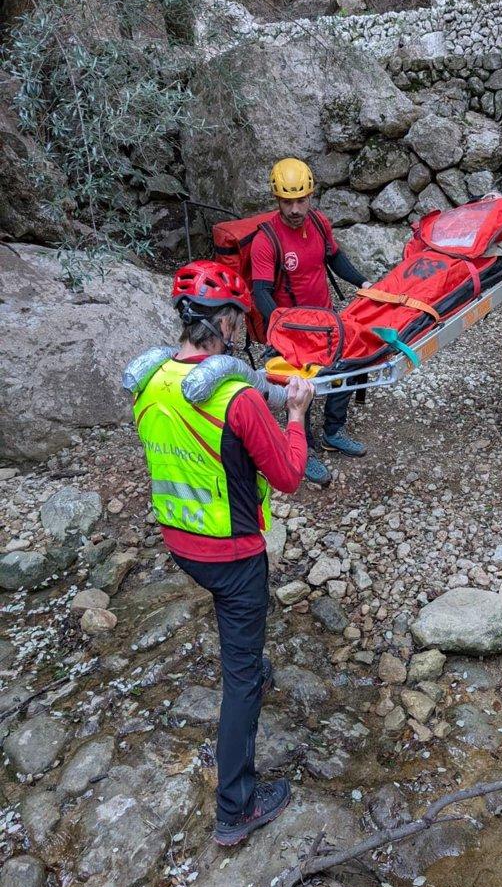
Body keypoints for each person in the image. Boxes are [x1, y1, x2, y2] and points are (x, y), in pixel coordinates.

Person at [131, 260, 314, 847]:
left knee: (240, 648)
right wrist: (295, 414)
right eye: (239, 318)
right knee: (239, 682)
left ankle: (250, 666)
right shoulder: (235, 399)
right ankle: (236, 807)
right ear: (230, 321)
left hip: (180, 541)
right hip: (232, 556)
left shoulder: (150, 383)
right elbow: (287, 476)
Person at [250, 157, 370, 487]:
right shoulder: (266, 241)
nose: (294, 209)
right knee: (299, 389)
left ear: (310, 196)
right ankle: (303, 451)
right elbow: (259, 291)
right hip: (292, 330)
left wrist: (363, 283)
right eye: (287, 202)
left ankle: (333, 430)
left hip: (326, 319)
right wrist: (280, 328)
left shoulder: (318, 224)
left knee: (346, 367)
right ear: (277, 199)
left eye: (301, 200)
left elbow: (335, 257)